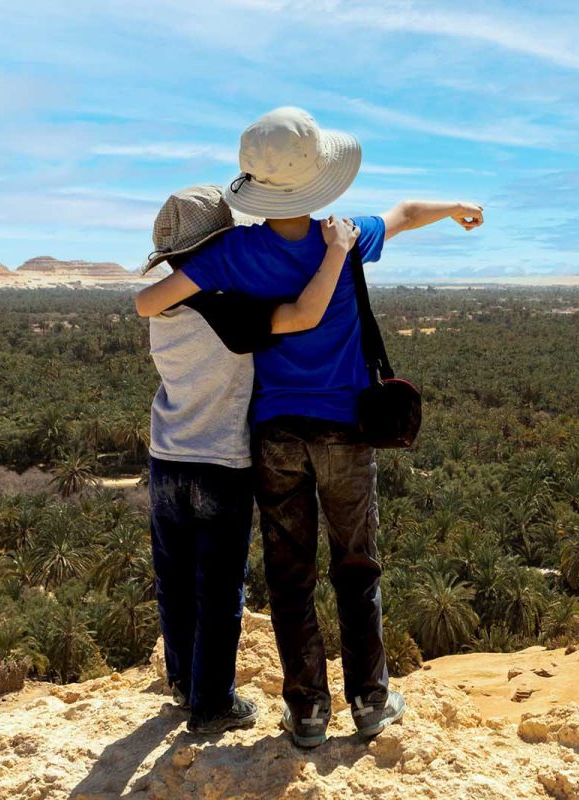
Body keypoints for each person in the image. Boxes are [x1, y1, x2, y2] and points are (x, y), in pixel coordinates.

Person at [136, 106, 484, 747]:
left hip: (275, 435)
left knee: (290, 573)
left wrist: (230, 305)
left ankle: (306, 712)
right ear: (320, 176)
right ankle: (371, 701)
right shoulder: (344, 237)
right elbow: (405, 212)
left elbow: (149, 298)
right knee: (357, 566)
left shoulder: (233, 252)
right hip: (346, 431)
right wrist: (457, 205)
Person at [137, 184, 359, 736]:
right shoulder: (231, 311)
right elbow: (306, 314)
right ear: (221, 246)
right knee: (219, 588)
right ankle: (211, 704)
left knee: (174, 580)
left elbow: (145, 299)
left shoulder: (161, 311)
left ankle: (183, 684)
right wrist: (336, 249)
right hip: (221, 463)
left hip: (166, 458)